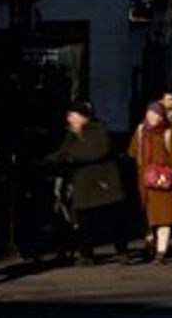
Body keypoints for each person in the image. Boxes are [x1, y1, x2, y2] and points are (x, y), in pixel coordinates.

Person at [47, 100, 132, 265]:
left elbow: (97, 151)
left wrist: (72, 156)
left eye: (72, 115)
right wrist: (44, 161)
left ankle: (122, 251)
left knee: (114, 219)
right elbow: (61, 154)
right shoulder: (71, 134)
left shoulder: (98, 129)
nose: (69, 118)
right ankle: (86, 254)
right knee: (84, 220)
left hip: (105, 180)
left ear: (82, 116)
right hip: (83, 181)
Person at [129, 101, 172, 264]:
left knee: (164, 220)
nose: (152, 117)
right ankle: (150, 246)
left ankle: (160, 253)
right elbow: (133, 152)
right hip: (145, 184)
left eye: (156, 114)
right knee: (147, 219)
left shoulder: (170, 133)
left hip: (164, 184)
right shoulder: (141, 131)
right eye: (150, 113)